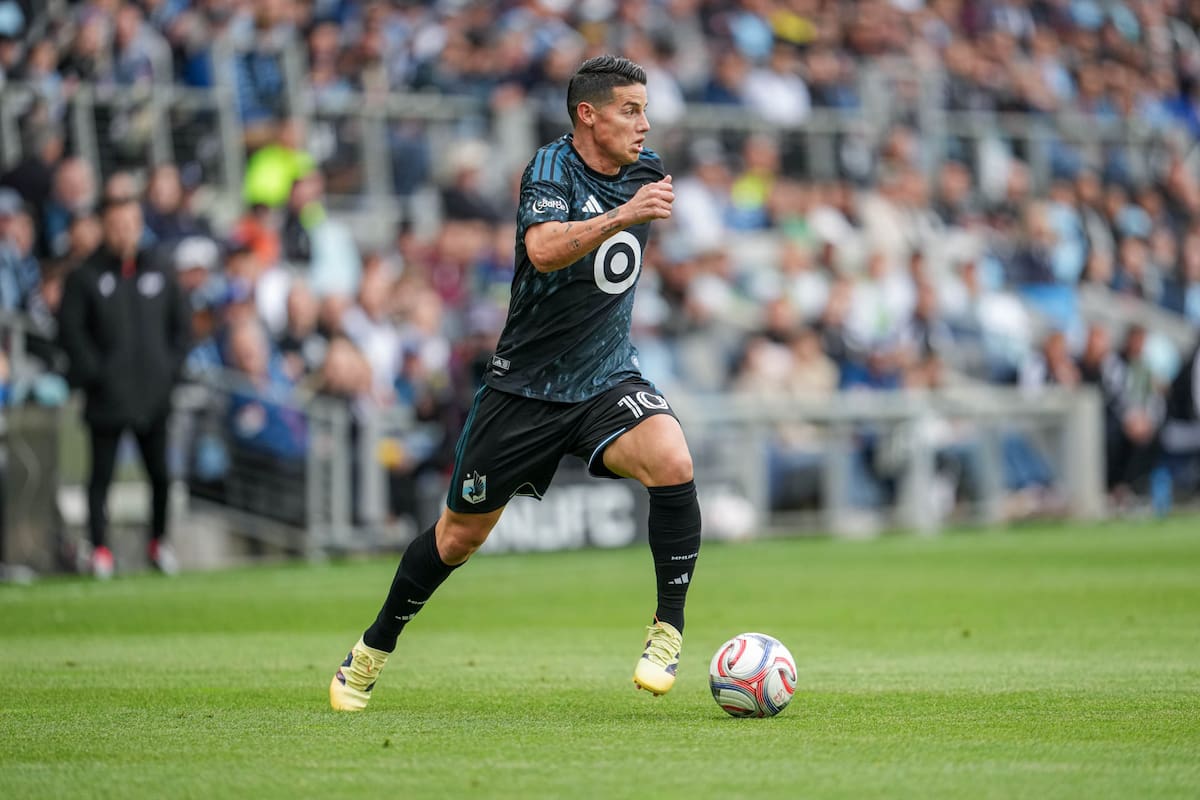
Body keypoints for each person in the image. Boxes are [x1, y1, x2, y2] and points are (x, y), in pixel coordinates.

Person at [330, 55, 700, 711]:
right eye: (630, 110)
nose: (645, 125)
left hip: (605, 378)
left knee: (672, 458)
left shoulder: (647, 170)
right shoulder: (551, 169)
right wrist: (622, 217)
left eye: (646, 110)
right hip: (524, 390)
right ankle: (370, 649)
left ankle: (667, 629)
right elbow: (543, 249)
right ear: (588, 114)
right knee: (456, 540)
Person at [57, 192, 191, 578]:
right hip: (106, 400)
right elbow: (71, 332)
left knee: (161, 476)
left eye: (131, 224)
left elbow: (180, 328)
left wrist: (169, 373)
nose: (124, 233)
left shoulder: (161, 270)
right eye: (116, 225)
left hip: (154, 397)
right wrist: (96, 376)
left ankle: (159, 542)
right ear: (104, 227)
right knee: (101, 478)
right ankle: (99, 547)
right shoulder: (85, 276)